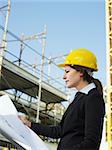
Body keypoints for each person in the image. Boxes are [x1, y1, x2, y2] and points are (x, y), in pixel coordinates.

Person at [19, 48, 105, 150]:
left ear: (81, 72)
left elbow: (91, 143)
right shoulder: (80, 97)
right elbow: (60, 131)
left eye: (67, 71)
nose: (64, 77)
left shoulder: (93, 98)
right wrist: (30, 124)